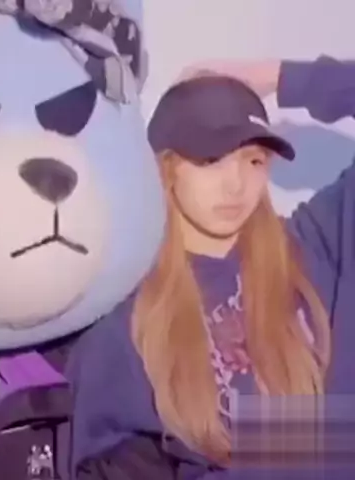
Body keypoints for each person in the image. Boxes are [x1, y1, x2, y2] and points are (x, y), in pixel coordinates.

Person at [69, 55, 355, 479]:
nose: (235, 184)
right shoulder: (126, 314)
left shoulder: (314, 246)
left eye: (253, 160)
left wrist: (279, 77)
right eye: (210, 160)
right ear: (166, 168)